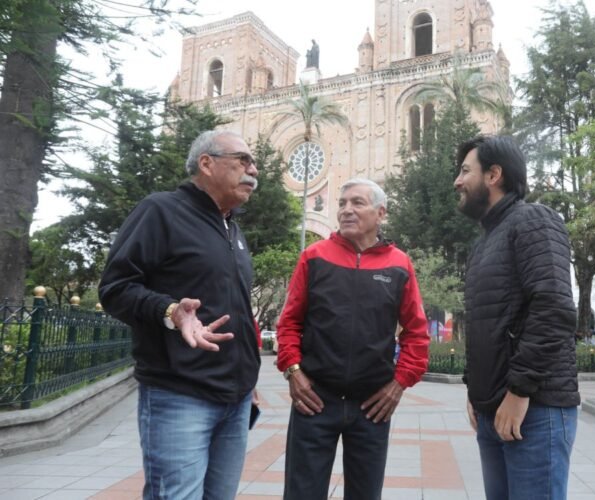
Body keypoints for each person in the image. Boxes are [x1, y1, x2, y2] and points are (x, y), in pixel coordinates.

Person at [98, 130, 262, 499]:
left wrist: (245, 377)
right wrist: (171, 311)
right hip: (179, 394)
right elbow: (115, 288)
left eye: (253, 163)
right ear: (206, 163)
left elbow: (238, 308)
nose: (253, 171)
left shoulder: (232, 228)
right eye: (243, 160)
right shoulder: (161, 210)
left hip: (235, 400)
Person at [277, 177, 429, 500]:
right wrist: (293, 372)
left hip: (372, 407)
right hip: (314, 401)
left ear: (381, 213)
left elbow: (417, 332)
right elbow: (289, 322)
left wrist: (398, 384)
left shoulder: (399, 265)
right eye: (342, 203)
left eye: (357, 203)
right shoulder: (314, 257)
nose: (346, 210)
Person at [453, 135, 580, 500]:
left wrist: (519, 391)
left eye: (465, 171)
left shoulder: (534, 220)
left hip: (533, 411)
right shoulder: (484, 242)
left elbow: (553, 308)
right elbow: (488, 323)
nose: (457, 182)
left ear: (494, 175)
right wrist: (475, 390)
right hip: (494, 410)